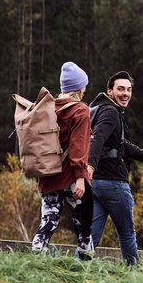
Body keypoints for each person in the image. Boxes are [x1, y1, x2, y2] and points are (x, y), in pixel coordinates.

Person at [88, 70, 143, 264]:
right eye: (120, 89)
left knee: (90, 237)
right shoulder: (111, 113)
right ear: (109, 91)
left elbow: (124, 146)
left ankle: (76, 270)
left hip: (96, 186)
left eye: (128, 89)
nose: (125, 93)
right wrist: (90, 166)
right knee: (127, 234)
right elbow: (98, 139)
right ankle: (134, 275)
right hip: (114, 184)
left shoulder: (99, 109)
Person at [31, 61, 94, 259]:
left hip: (48, 173)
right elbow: (78, 146)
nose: (85, 89)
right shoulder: (80, 110)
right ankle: (86, 262)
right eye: (84, 85)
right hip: (70, 177)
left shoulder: (47, 107)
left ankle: (37, 252)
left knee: (49, 219)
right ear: (79, 87)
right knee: (82, 222)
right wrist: (81, 177)